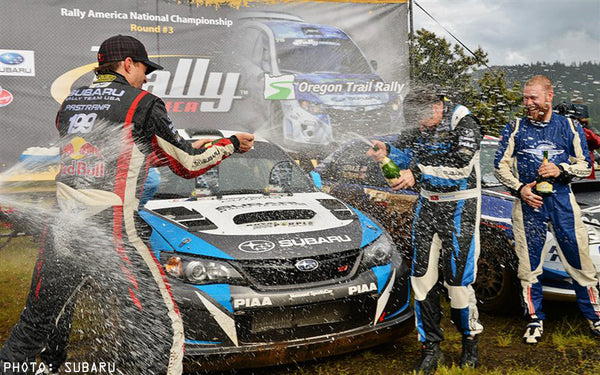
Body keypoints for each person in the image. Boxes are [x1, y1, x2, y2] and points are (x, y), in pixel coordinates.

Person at [0, 35, 254, 374]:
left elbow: (111, 160)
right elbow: (189, 166)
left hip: (61, 230)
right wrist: (230, 144)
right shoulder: (143, 102)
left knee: (35, 324)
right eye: (145, 70)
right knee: (160, 326)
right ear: (128, 64)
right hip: (112, 231)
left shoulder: (72, 103)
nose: (147, 77)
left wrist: (186, 145)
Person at [367, 87, 483, 374]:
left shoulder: (463, 121)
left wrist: (415, 174)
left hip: (459, 207)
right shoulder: (418, 124)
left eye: (420, 118)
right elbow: (403, 158)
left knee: (457, 283)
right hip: (427, 207)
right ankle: (431, 347)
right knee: (421, 279)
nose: (417, 125)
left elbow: (460, 165)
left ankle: (469, 342)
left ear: (436, 106)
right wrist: (386, 154)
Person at [494, 75, 600, 344]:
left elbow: (586, 166)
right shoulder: (515, 126)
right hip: (529, 203)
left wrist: (560, 169)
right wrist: (520, 189)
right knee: (528, 265)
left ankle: (594, 316)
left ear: (549, 96)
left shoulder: (568, 126)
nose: (528, 103)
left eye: (534, 98)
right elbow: (500, 166)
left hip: (563, 201)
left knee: (579, 260)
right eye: (525, 98)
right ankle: (534, 319)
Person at [554, 101, 600, 179]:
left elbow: (597, 142)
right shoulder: (582, 131)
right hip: (565, 177)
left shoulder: (582, 131)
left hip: (584, 176)